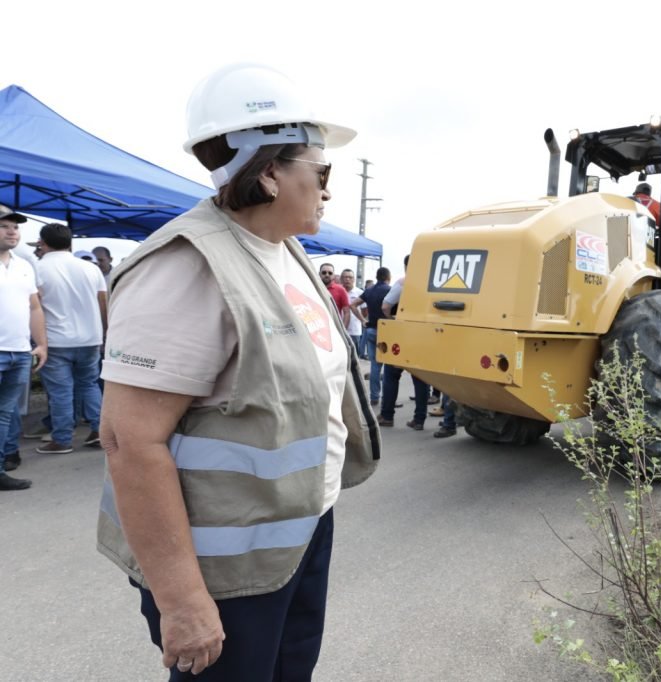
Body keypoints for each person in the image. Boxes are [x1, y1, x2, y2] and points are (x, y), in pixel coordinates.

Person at [96, 63, 380, 680]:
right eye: (322, 172)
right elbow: (128, 441)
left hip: (298, 530)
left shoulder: (284, 251)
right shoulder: (187, 266)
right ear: (271, 172)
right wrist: (181, 601)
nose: (328, 191)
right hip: (223, 566)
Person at [31, 223, 107, 454]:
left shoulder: (37, 269)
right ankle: (99, 431)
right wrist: (104, 332)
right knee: (89, 384)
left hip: (55, 340)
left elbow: (33, 306)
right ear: (70, 242)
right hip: (91, 338)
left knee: (60, 391)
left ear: (42, 243)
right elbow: (102, 302)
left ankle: (62, 439)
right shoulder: (90, 268)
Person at [0, 204, 47, 490]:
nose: (12, 232)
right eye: (4, 226)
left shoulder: (24, 265)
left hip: (18, 352)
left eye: (15, 227)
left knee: (5, 414)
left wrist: (41, 344)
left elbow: (34, 307)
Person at [379, 255, 430, 430]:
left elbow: (385, 306)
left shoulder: (403, 282)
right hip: (423, 335)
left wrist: (392, 319)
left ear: (407, 266)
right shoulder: (432, 284)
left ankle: (387, 415)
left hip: (403, 334)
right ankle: (419, 419)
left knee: (391, 375)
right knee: (421, 379)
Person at [351, 267, 391, 406]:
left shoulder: (369, 290)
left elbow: (353, 304)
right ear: (388, 277)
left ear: (377, 276)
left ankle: (374, 397)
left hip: (371, 330)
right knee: (389, 367)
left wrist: (363, 320)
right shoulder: (390, 290)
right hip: (387, 331)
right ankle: (388, 399)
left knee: (375, 365)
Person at [339, 268, 366, 359]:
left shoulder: (360, 293)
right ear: (341, 279)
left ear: (354, 279)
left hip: (354, 330)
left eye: (350, 277)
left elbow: (365, 311)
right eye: (345, 277)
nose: (347, 279)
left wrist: (359, 319)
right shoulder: (338, 291)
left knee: (354, 356)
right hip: (339, 328)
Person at [318, 262, 350, 328]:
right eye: (324, 272)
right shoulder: (314, 288)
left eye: (330, 273)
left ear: (333, 275)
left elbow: (347, 312)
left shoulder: (341, 290)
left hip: (334, 327)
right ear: (319, 274)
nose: (327, 275)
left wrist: (343, 330)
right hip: (317, 327)